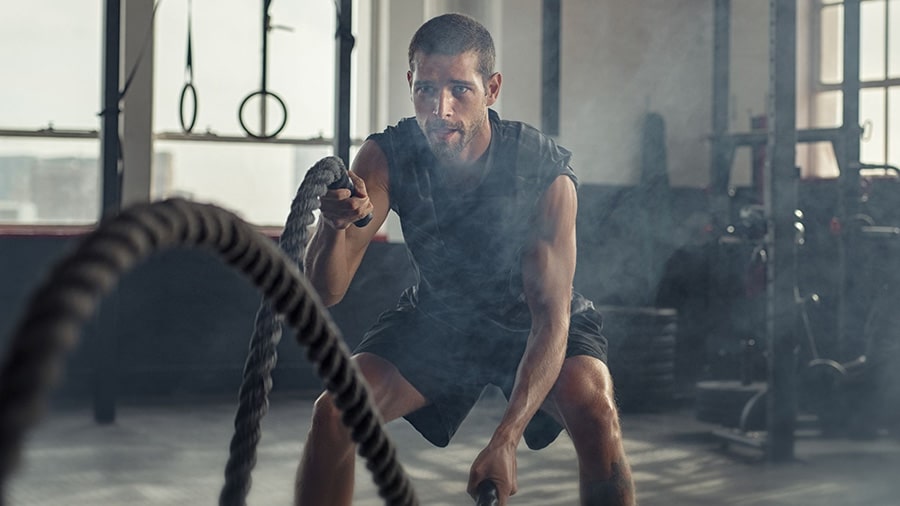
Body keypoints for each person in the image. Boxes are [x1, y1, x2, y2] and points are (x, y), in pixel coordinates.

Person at [296, 12, 635, 506]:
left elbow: (550, 319)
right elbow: (327, 291)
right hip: (441, 317)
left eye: (460, 89)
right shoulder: (386, 157)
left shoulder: (543, 170)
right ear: (410, 84)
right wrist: (333, 225)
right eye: (427, 90)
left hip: (532, 322)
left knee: (596, 409)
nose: (441, 109)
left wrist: (505, 441)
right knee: (334, 414)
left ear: (492, 89)